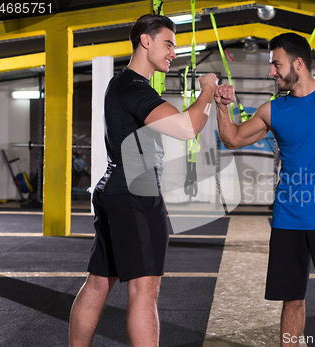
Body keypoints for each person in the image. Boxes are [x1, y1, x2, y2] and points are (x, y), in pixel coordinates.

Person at [215, 33, 315, 347]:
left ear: (298, 63)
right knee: (291, 300)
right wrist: (223, 107)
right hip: (287, 221)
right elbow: (233, 138)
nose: (271, 72)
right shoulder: (273, 109)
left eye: (277, 64)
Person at [69, 14, 218, 346]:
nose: (173, 53)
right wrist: (207, 90)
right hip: (136, 192)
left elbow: (186, 122)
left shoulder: (127, 85)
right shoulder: (133, 86)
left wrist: (207, 102)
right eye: (168, 44)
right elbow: (186, 128)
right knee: (144, 288)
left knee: (98, 281)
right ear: (145, 41)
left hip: (116, 187)